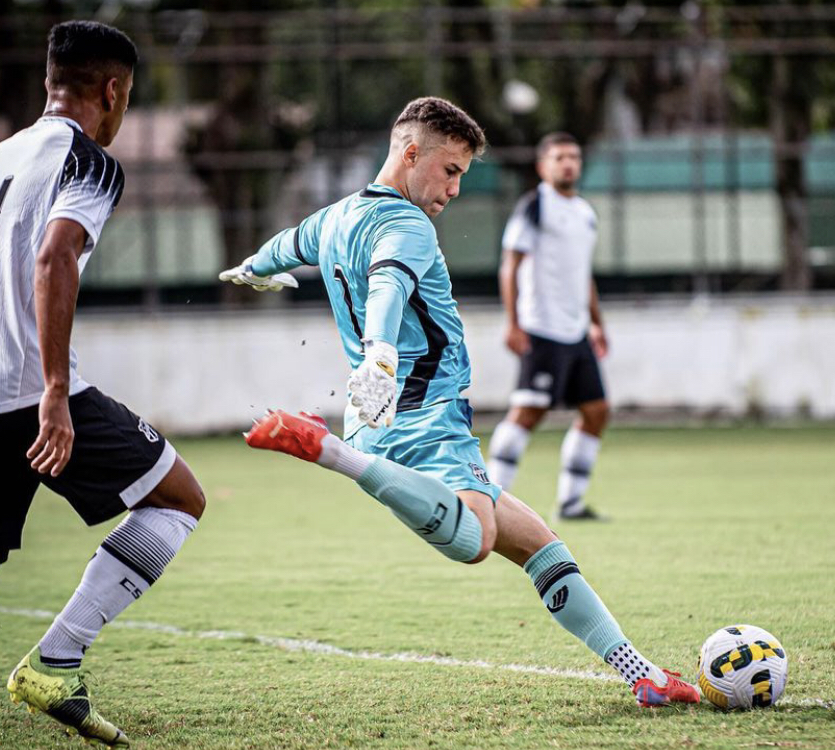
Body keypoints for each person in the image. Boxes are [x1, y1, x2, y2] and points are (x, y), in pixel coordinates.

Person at [220, 97, 699, 708]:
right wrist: (381, 355)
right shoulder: (407, 225)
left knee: (542, 547)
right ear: (411, 153)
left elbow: (289, 244)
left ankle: (644, 677)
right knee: (475, 539)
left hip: (385, 412)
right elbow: (389, 285)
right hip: (419, 417)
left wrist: (252, 268)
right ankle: (328, 452)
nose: (453, 189)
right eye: (450, 171)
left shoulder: (337, 216)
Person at [0, 21, 206, 747]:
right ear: (114, 90)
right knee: (179, 497)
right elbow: (55, 257)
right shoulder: (87, 160)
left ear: (47, 82)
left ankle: (55, 664)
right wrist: (55, 392)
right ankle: (56, 663)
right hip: (25, 391)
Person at [486, 133, 609, 521]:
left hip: (576, 333)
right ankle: (487, 498)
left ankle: (571, 503)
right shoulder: (534, 206)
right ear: (543, 166)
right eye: (559, 158)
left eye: (573, 157)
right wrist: (514, 322)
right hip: (541, 329)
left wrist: (596, 323)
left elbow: (582, 274)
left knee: (597, 411)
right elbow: (510, 265)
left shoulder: (585, 213)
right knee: (529, 412)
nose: (568, 163)